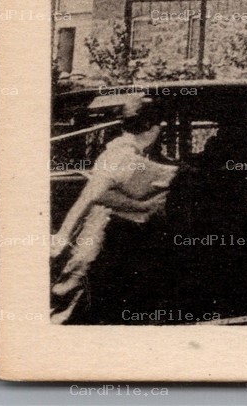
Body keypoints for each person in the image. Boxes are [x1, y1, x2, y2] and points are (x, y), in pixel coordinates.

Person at [51, 95, 177, 323]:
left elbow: (90, 195)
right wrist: (143, 205)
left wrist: (64, 233)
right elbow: (95, 194)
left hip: (102, 235)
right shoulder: (125, 157)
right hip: (102, 237)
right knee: (77, 307)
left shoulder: (117, 152)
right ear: (151, 127)